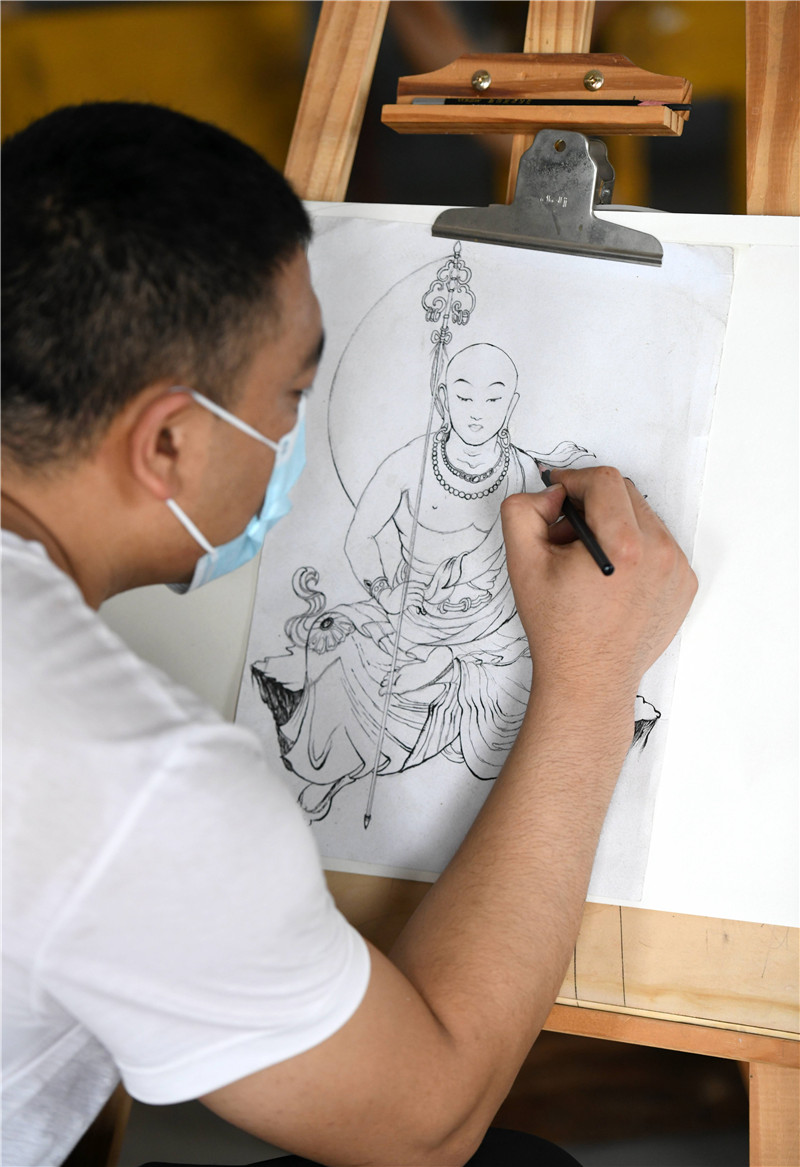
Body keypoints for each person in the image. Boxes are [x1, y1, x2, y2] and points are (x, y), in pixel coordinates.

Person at [1, 102, 697, 1167]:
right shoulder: (137, 780)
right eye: (289, 397)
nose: (291, 435)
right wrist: (593, 676)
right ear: (168, 442)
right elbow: (427, 1124)